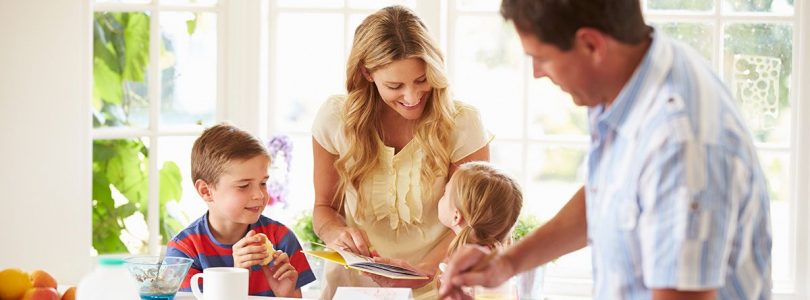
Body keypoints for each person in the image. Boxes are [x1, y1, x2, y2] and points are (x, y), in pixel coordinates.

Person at [441, 1, 772, 300]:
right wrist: (506, 263)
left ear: (591, 44)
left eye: (541, 58)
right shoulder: (631, 79)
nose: (537, 73)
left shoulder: (679, 144)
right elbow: (607, 195)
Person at [311, 5, 492, 299]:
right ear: (366, 73)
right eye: (395, 85)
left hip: (438, 285)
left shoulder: (462, 123)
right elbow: (324, 208)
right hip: (353, 288)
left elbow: (475, 222)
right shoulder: (335, 119)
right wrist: (336, 233)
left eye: (422, 80)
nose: (412, 96)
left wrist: (422, 272)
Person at [167, 123, 315, 298]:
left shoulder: (282, 239)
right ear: (206, 191)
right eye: (244, 186)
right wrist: (236, 279)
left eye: (263, 183)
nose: (259, 195)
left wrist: (286, 295)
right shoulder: (184, 252)